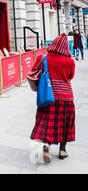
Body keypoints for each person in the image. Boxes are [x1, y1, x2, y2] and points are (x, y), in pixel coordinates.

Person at [30, 33, 75, 163]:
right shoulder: (70, 62)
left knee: (46, 122)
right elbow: (70, 76)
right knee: (65, 124)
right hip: (66, 97)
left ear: (53, 44)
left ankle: (46, 148)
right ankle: (62, 150)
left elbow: (33, 73)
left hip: (48, 96)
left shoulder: (42, 57)